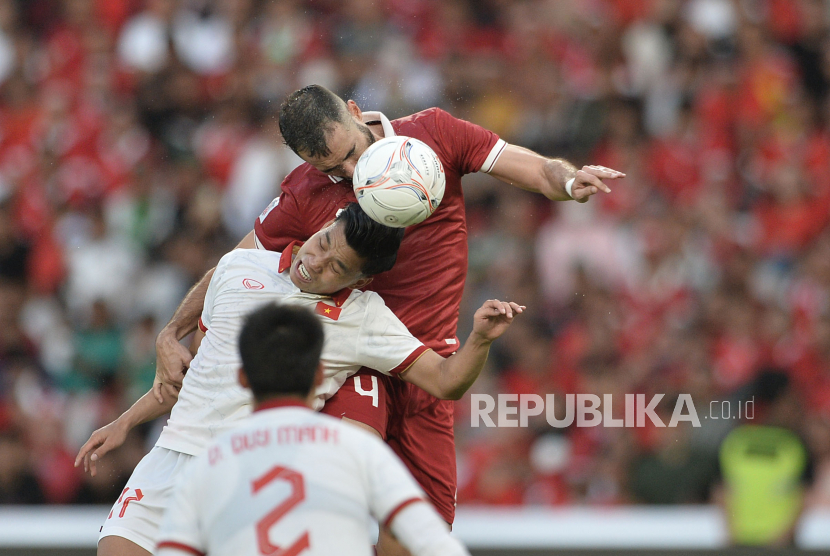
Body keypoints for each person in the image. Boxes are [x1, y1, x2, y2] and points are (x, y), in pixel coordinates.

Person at [153, 84, 624, 544]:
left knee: (422, 537)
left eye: (353, 153)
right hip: (351, 376)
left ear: (356, 111)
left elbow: (537, 170)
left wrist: (567, 180)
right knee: (328, 527)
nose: (355, 172)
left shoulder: (435, 135)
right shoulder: (304, 192)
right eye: (335, 169)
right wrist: (171, 332)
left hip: (426, 373)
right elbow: (235, 268)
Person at [78, 202, 522, 556]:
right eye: (325, 242)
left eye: (337, 267)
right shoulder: (238, 268)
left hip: (248, 473)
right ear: (327, 222)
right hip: (170, 457)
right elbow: (196, 374)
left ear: (362, 279)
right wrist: (125, 422)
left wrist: (479, 339)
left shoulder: (362, 317)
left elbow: (445, 381)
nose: (317, 261)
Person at [155, 302, 470, 556]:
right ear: (320, 375)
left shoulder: (209, 463)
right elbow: (431, 541)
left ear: (242, 379)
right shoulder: (357, 449)